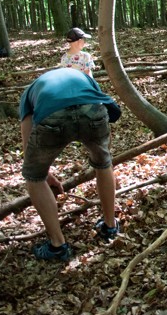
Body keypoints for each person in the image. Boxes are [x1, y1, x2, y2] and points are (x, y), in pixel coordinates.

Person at [20, 68, 122, 260]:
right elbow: (101, 107)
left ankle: (57, 245)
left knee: (33, 178)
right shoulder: (83, 78)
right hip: (91, 110)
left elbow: (28, 134)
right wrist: (103, 158)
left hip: (53, 115)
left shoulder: (30, 92)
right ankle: (110, 226)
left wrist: (40, 173)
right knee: (104, 165)